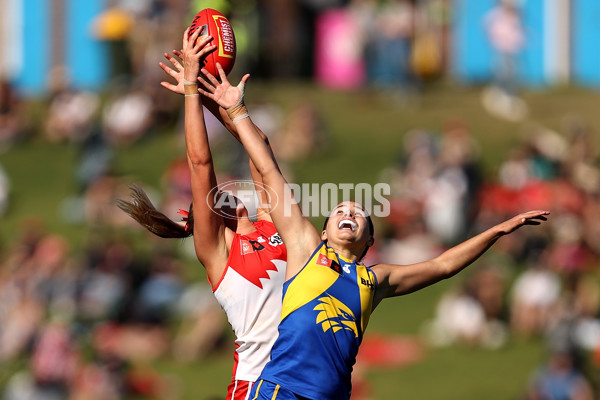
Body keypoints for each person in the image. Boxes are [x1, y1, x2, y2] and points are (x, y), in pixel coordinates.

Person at [196, 63, 550, 400]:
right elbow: (268, 170)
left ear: (370, 240)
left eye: (358, 213)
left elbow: (443, 266)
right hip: (279, 392)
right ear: (323, 232)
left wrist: (498, 230)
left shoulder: (374, 281)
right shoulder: (305, 249)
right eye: (340, 211)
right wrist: (236, 110)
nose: (349, 212)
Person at [117, 28, 287, 400]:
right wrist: (191, 91)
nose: (221, 192)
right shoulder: (217, 255)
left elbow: (262, 151)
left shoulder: (270, 225)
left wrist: (220, 100)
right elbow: (199, 162)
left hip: (301, 378)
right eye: (211, 198)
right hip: (257, 384)